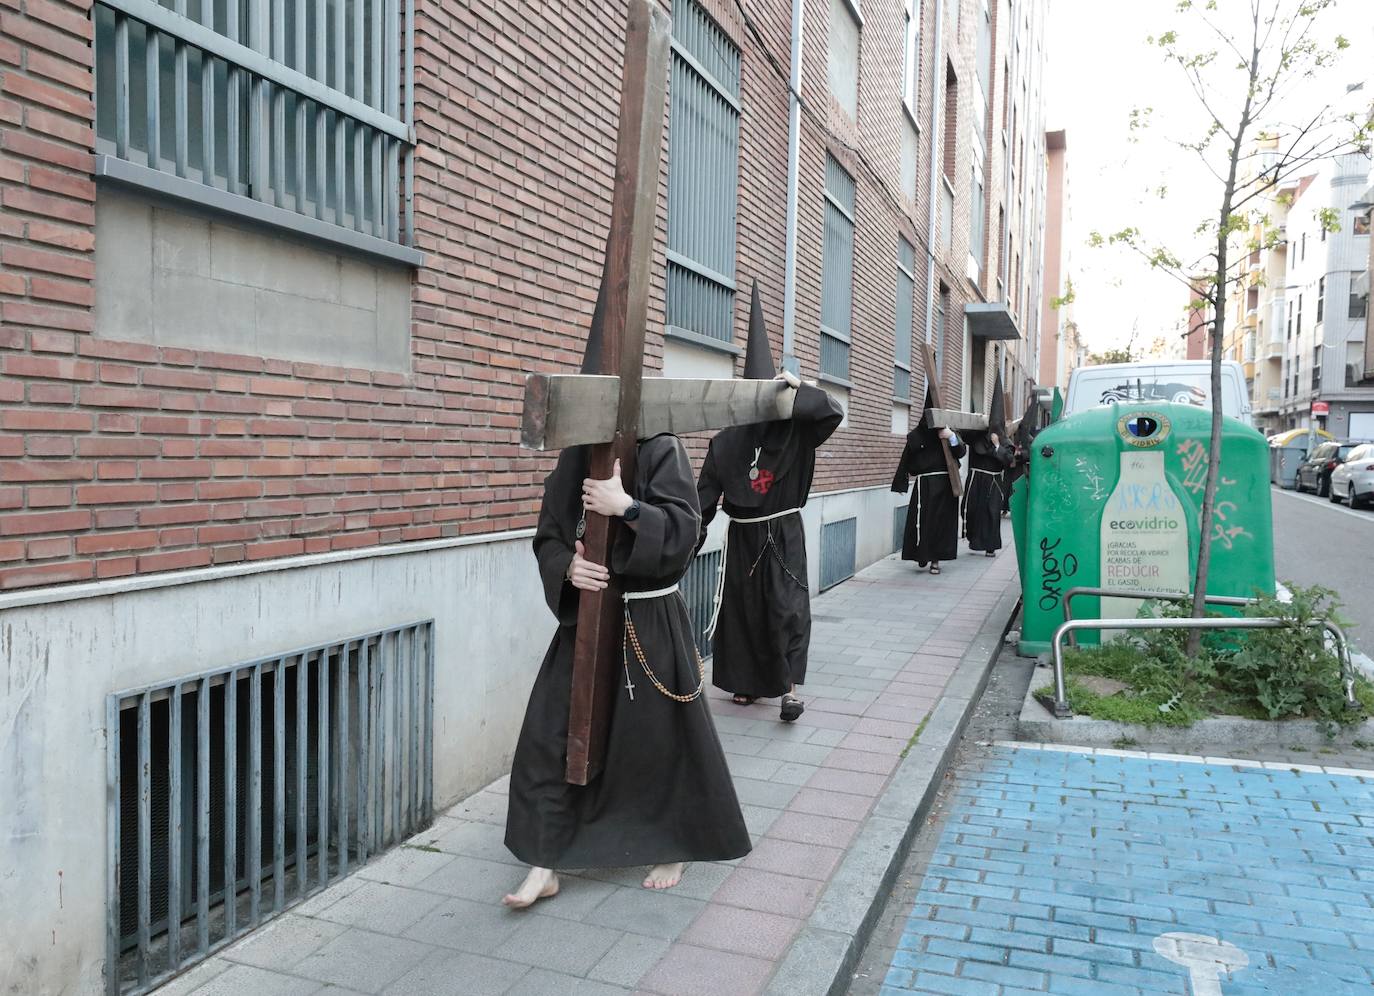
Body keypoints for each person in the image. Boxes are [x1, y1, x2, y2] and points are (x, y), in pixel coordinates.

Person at [503, 287, 750, 909]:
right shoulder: (574, 455)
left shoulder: (660, 445)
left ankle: (671, 840)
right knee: (549, 735)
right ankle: (545, 859)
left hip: (647, 616)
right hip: (587, 621)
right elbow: (549, 535)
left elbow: (686, 529)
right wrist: (568, 570)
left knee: (659, 737)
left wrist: (628, 507)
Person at [696, 282, 843, 722]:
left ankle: (790, 690)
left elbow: (831, 411)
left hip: (783, 531)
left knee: (787, 606)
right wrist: (683, 538)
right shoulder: (725, 441)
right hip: (743, 536)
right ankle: (745, 684)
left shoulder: (795, 431)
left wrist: (799, 390)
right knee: (742, 611)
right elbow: (703, 499)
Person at [891, 396, 967, 575]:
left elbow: (961, 452)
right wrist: (901, 482)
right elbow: (907, 462)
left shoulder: (948, 432)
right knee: (922, 523)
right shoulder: (916, 436)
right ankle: (921, 555)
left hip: (945, 486)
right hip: (924, 487)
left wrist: (951, 437)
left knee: (940, 524)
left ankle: (935, 560)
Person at [961, 383, 1013, 556]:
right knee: (972, 510)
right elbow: (963, 435)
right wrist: (976, 422)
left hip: (993, 482)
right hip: (975, 480)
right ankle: (974, 540)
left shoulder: (1006, 443)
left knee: (991, 513)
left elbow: (1008, 461)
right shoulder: (977, 437)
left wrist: (997, 445)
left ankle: (990, 546)